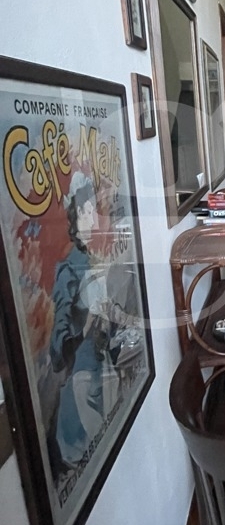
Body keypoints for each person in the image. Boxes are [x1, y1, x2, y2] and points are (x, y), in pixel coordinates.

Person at [49, 172, 117, 468]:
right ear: (73, 220)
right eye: (84, 213)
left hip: (101, 364)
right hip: (82, 376)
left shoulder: (92, 261)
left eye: (92, 211)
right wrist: (87, 320)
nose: (91, 219)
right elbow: (59, 340)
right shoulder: (69, 270)